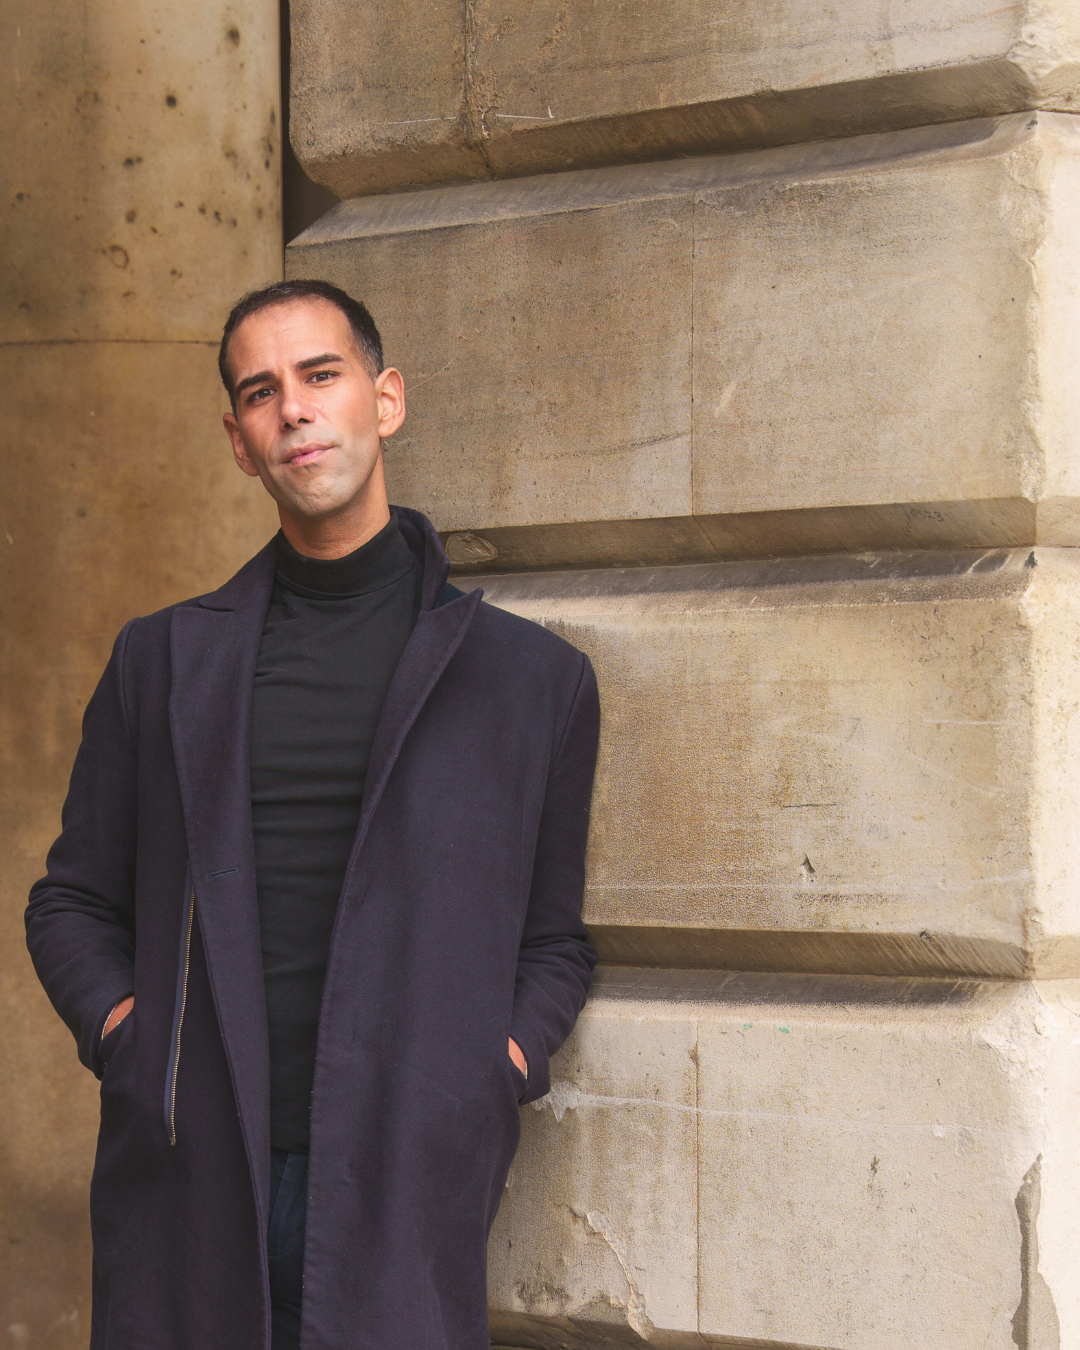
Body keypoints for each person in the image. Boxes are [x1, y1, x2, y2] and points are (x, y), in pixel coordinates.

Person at [25, 279, 600, 1350]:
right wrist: (134, 1043)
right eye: (260, 391)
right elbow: (69, 903)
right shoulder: (164, 663)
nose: (292, 407)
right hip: (192, 1172)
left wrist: (492, 1074)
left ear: (384, 402)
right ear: (240, 443)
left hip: (401, 1184)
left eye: (320, 375)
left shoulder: (532, 682)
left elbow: (554, 943)